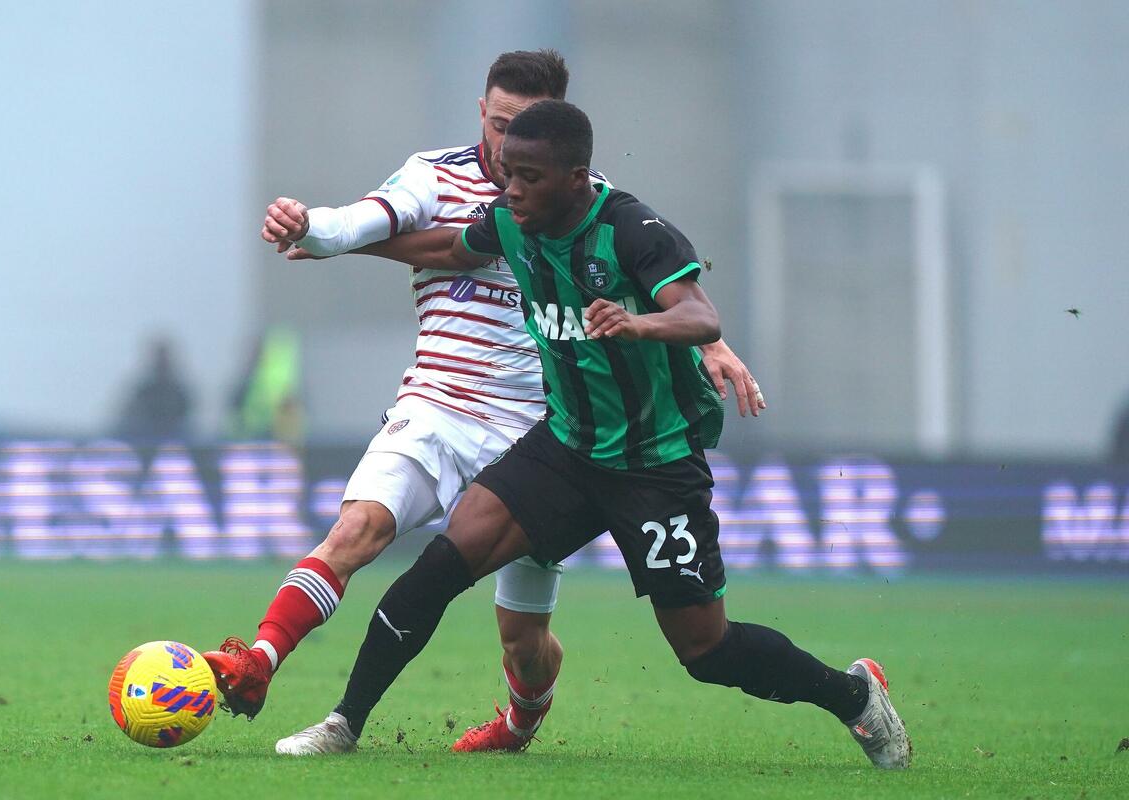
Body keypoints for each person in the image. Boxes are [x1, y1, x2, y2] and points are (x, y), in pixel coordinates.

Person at [284, 100, 910, 767]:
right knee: (440, 565)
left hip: (654, 464)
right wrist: (332, 240)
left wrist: (640, 324)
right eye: (507, 173)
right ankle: (343, 724)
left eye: (529, 177)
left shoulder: (634, 231)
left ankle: (853, 696)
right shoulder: (511, 220)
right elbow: (446, 248)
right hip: (566, 448)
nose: (511, 189)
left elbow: (701, 317)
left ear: (576, 177)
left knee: (706, 649)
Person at [204, 50, 765, 755]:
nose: (504, 147)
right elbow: (378, 224)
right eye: (497, 124)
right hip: (438, 407)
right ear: (481, 111)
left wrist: (711, 344)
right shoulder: (435, 176)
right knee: (359, 531)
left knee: (525, 640)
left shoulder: (585, 201)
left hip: (542, 428)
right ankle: (267, 667)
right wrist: (315, 230)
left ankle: (520, 722)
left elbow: (653, 284)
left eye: (521, 128)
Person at [113, 337, 192, 442]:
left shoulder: (179, 392)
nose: (161, 362)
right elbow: (131, 414)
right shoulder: (143, 390)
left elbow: (185, 413)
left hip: (174, 437)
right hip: (144, 437)